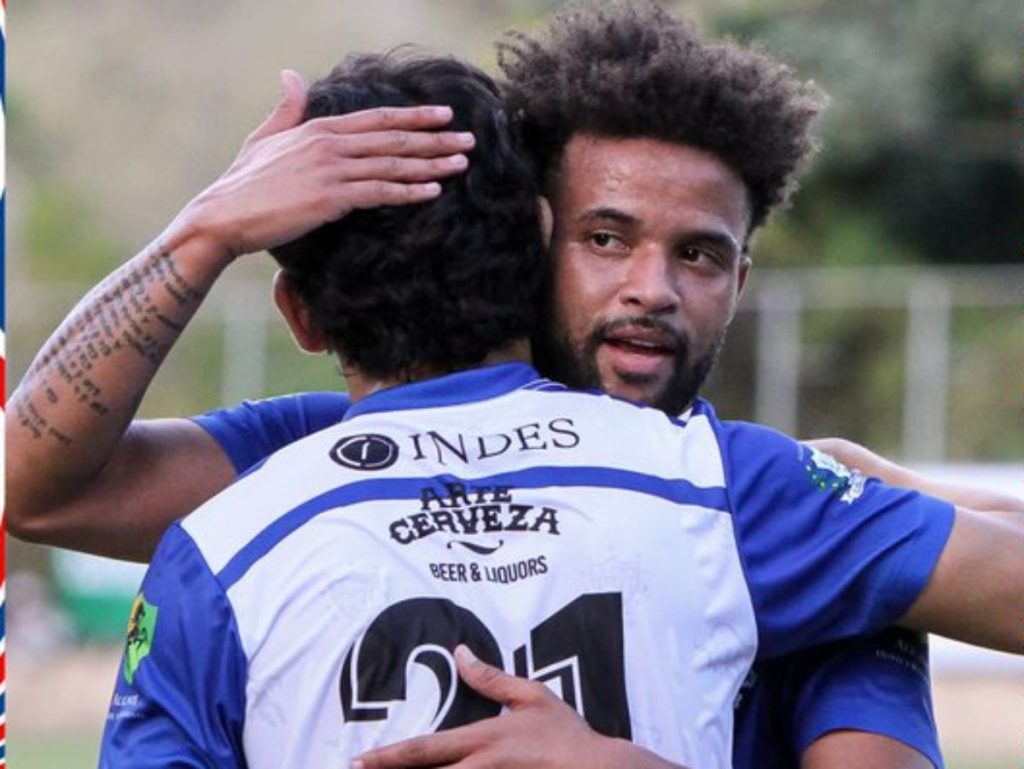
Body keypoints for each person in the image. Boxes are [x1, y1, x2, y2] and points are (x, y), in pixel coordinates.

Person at [9, 2, 1022, 769]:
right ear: (530, 239)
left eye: (701, 256)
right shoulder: (307, 462)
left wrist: (896, 493)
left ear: (744, 279)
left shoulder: (786, 517)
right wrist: (205, 231)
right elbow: (29, 483)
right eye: (604, 238)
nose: (651, 290)